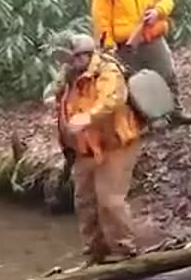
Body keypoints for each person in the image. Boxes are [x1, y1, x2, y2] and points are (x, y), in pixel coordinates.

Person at [90, 0, 191, 126]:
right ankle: (145, 122)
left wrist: (158, 12)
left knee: (168, 74)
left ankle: (175, 113)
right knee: (132, 85)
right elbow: (101, 19)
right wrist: (108, 47)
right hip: (125, 45)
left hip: (152, 37)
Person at [55, 34, 144, 265]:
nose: (69, 64)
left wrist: (88, 117)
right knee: (84, 201)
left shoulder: (107, 71)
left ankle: (126, 250)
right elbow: (60, 98)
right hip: (85, 149)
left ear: (85, 55)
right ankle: (96, 252)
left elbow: (113, 99)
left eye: (73, 59)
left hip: (115, 144)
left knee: (110, 200)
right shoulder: (69, 78)